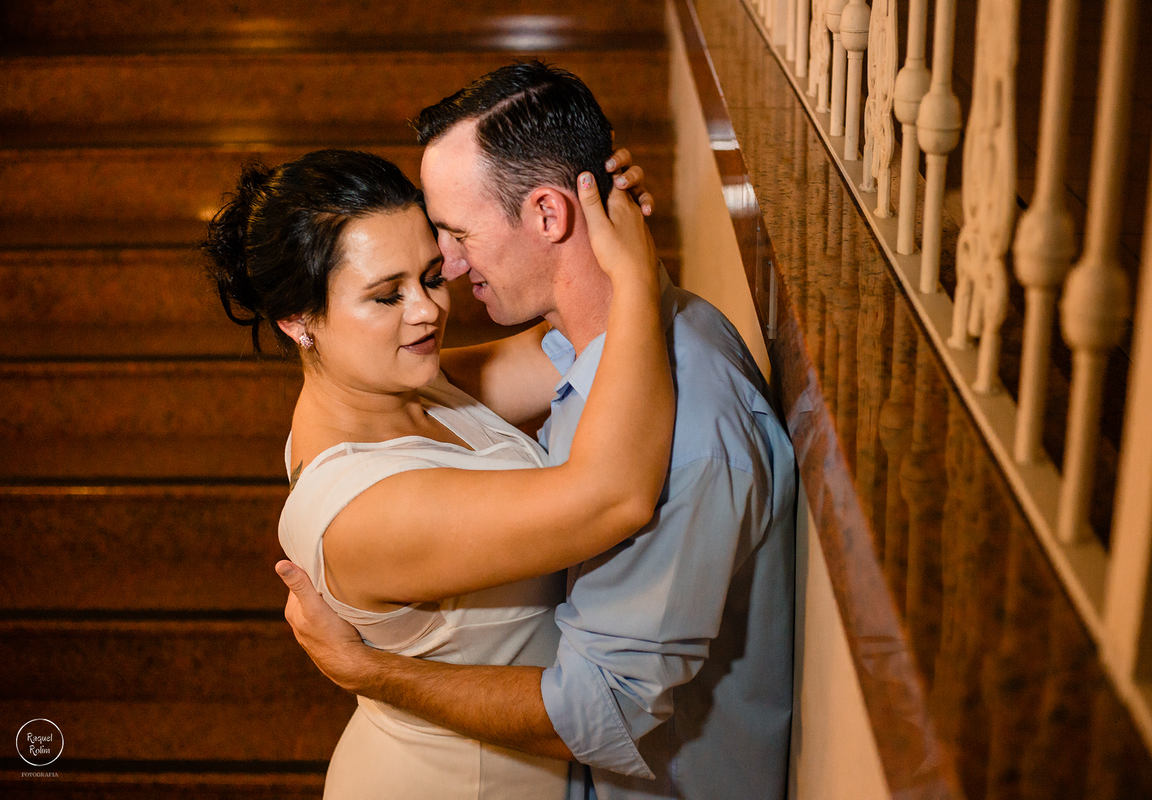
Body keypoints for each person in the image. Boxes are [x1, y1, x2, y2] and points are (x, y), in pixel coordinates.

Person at [277, 61, 798, 800]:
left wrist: (372, 671)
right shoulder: (392, 423)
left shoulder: (683, 424)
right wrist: (616, 254)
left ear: (551, 214)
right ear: (300, 321)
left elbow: (600, 706)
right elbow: (601, 460)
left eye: (449, 242)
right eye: (388, 292)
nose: (445, 277)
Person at [202, 147, 674, 798]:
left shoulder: (414, 384)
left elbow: (591, 336)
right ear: (297, 320)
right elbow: (613, 498)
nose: (426, 310)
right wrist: (636, 274)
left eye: (430, 277)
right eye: (386, 295)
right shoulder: (360, 513)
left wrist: (597, 221)